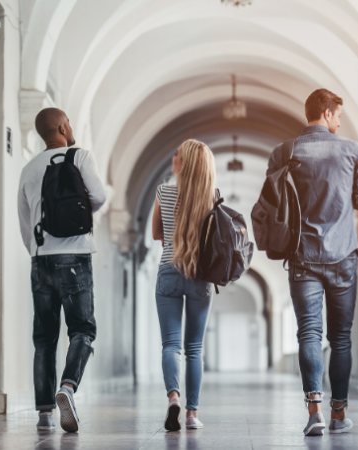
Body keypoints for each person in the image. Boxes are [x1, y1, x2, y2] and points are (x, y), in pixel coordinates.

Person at [267, 89, 358, 436]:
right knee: (341, 338)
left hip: (302, 256)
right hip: (343, 256)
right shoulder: (352, 150)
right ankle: (339, 414)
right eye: (338, 116)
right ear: (326, 114)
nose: (340, 123)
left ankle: (315, 413)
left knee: (308, 333)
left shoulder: (284, 152)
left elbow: (273, 202)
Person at [18, 108, 108, 432]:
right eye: (68, 121)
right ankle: (67, 388)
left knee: (44, 337)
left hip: (40, 258)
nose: (70, 126)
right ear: (61, 125)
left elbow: (25, 223)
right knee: (82, 329)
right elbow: (99, 196)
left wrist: (39, 251)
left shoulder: (28, 168)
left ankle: (44, 413)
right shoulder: (79, 157)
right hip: (75, 254)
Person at [151, 139, 216, 432]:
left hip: (168, 270)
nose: (172, 156)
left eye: (177, 153)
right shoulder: (211, 196)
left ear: (185, 163)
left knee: (171, 345)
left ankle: (173, 398)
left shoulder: (163, 191)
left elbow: (156, 234)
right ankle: (191, 415)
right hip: (200, 275)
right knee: (194, 349)